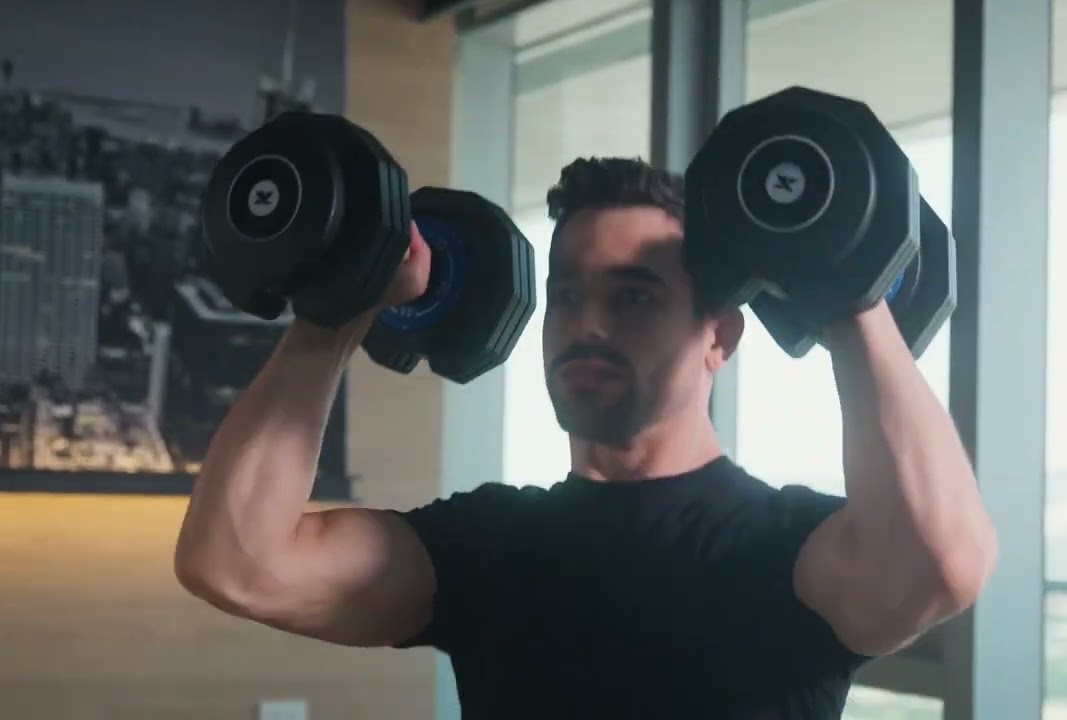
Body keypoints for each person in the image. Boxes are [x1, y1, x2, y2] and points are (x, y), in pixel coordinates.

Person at [175, 157, 997, 719]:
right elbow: (237, 562)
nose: (587, 325)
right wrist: (338, 311)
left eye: (634, 297)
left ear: (719, 335)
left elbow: (943, 561)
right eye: (567, 296)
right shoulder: (485, 547)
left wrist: (847, 300)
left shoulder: (790, 550)